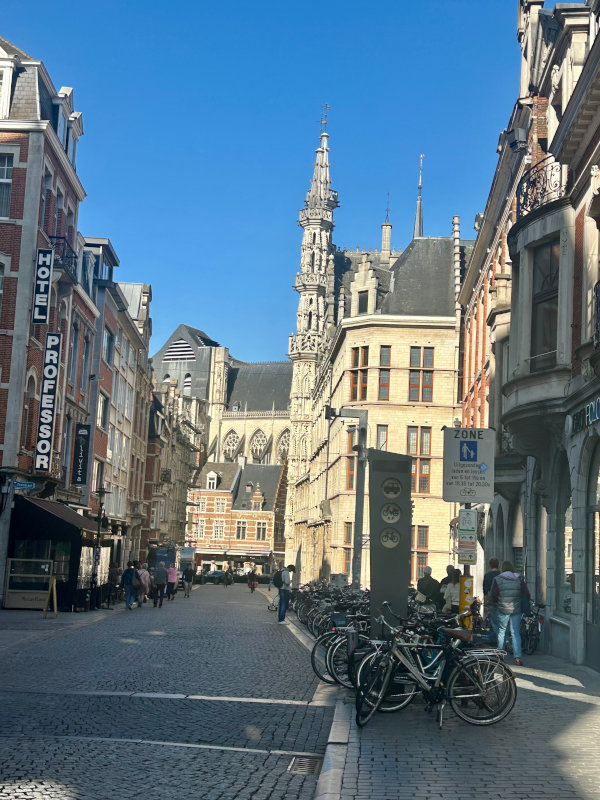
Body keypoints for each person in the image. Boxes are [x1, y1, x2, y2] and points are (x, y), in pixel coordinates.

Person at [490, 560, 530, 666]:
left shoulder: (498, 579)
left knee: (502, 631)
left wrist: (495, 604)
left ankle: (500, 655)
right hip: (516, 609)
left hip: (502, 609)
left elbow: (493, 595)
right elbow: (526, 593)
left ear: (502, 568)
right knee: (515, 632)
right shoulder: (519, 579)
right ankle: (517, 657)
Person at [482, 556, 501, 625]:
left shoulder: (487, 575)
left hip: (491, 601)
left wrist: (485, 604)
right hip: (500, 601)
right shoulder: (501, 575)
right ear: (498, 565)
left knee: (493, 621)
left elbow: (485, 591)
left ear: (490, 565)